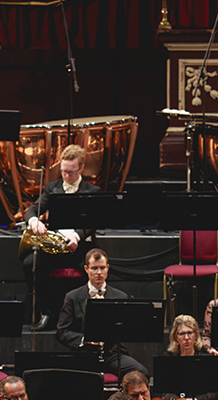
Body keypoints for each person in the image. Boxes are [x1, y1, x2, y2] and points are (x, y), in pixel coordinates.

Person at [23, 143, 97, 330]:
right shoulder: (52, 188)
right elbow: (32, 209)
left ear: (81, 168)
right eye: (63, 171)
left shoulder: (92, 191)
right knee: (30, 263)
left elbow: (93, 222)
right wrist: (34, 221)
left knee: (94, 267)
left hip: (80, 248)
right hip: (55, 249)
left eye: (71, 172)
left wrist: (77, 236)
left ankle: (84, 316)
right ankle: (46, 311)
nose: (66, 176)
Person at [56, 247, 146, 377]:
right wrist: (85, 340)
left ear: (108, 268)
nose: (99, 272)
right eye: (94, 268)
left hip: (112, 354)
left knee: (141, 373)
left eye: (102, 268)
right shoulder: (72, 297)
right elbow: (62, 332)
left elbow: (126, 330)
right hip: (84, 355)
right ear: (86, 269)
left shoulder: (120, 296)